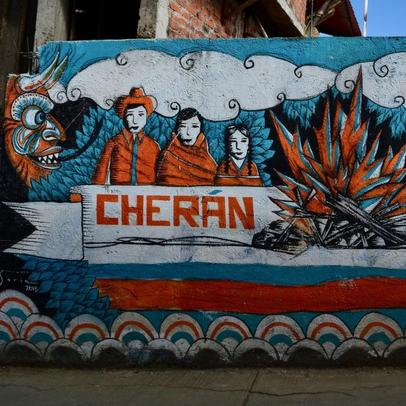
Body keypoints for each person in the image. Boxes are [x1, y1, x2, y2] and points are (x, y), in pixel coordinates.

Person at [92, 87, 160, 185]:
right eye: (130, 115)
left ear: (146, 117)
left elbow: (160, 177)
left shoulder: (153, 146)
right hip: (118, 192)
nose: (135, 121)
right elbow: (101, 174)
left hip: (147, 193)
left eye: (140, 115)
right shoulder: (114, 142)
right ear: (123, 117)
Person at [156, 108, 217, 186]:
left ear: (200, 129)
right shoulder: (168, 156)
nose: (188, 132)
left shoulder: (207, 159)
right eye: (183, 126)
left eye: (194, 126)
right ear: (177, 129)